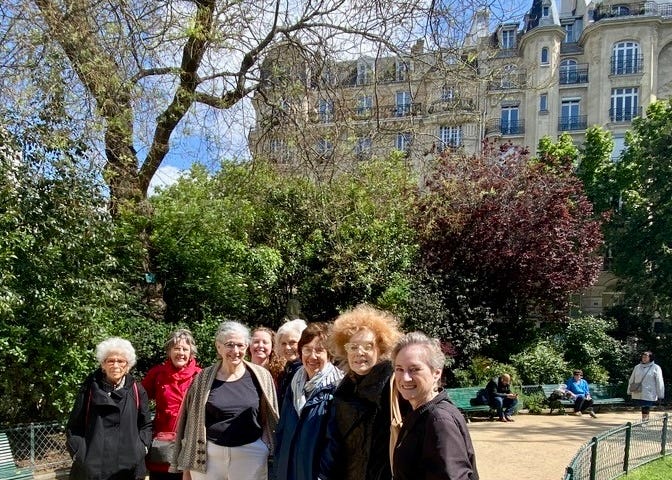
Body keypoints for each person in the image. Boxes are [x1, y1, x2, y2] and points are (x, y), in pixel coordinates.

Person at [171, 321, 279, 480]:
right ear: (218, 347)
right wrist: (188, 466)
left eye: (241, 345)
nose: (236, 351)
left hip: (250, 454)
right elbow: (190, 422)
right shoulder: (202, 378)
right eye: (230, 345)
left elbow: (268, 415)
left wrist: (263, 445)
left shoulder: (261, 376)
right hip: (208, 455)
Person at [319, 304, 403, 480]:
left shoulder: (395, 387)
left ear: (381, 349)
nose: (360, 352)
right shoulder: (343, 391)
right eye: (353, 347)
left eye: (367, 346)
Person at [391, 332, 479, 480]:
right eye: (399, 369)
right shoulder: (419, 413)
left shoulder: (439, 420)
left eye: (414, 369)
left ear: (436, 373)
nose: (405, 378)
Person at [66, 337, 152, 480]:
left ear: (128, 366)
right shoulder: (88, 389)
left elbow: (146, 425)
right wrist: (79, 454)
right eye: (110, 360)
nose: (115, 365)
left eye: (121, 361)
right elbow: (74, 426)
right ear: (103, 365)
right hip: (92, 470)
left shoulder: (138, 390)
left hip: (128, 469)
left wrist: (141, 448)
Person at [274, 322, 344, 480]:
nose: (312, 356)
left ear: (329, 354)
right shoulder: (293, 384)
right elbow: (282, 432)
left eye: (319, 350)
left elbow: (335, 445)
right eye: (307, 350)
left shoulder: (338, 388)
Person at [142, 329, 202, 480]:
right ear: (169, 351)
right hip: (163, 443)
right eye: (176, 348)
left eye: (185, 349)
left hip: (190, 443)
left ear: (191, 353)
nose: (180, 353)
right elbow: (138, 402)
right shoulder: (157, 373)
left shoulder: (200, 376)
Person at [275, 319, 308, 409]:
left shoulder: (307, 371)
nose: (287, 347)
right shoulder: (287, 370)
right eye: (283, 343)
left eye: (292, 342)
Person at [627, 351, 665, 421]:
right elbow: (632, 379)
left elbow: (659, 381)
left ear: (650, 358)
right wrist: (629, 390)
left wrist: (660, 394)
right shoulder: (637, 367)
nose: (644, 359)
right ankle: (644, 420)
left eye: (646, 357)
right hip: (638, 391)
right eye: (643, 357)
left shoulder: (656, 367)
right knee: (643, 406)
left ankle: (644, 420)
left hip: (649, 391)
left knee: (646, 406)